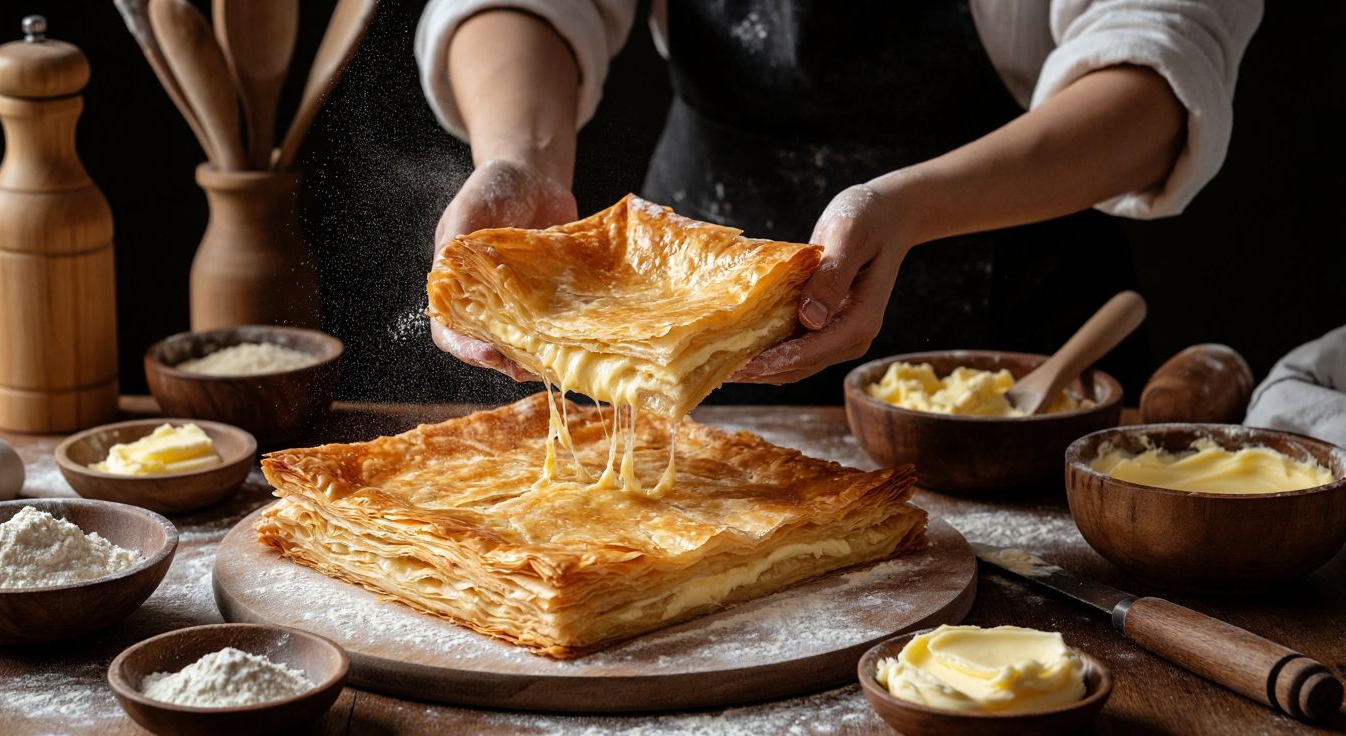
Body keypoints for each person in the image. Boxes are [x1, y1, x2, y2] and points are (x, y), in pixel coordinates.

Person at [415, 1, 1261, 401]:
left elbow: (1158, 71)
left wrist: (913, 206)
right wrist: (521, 160)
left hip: (1012, 374)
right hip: (672, 333)